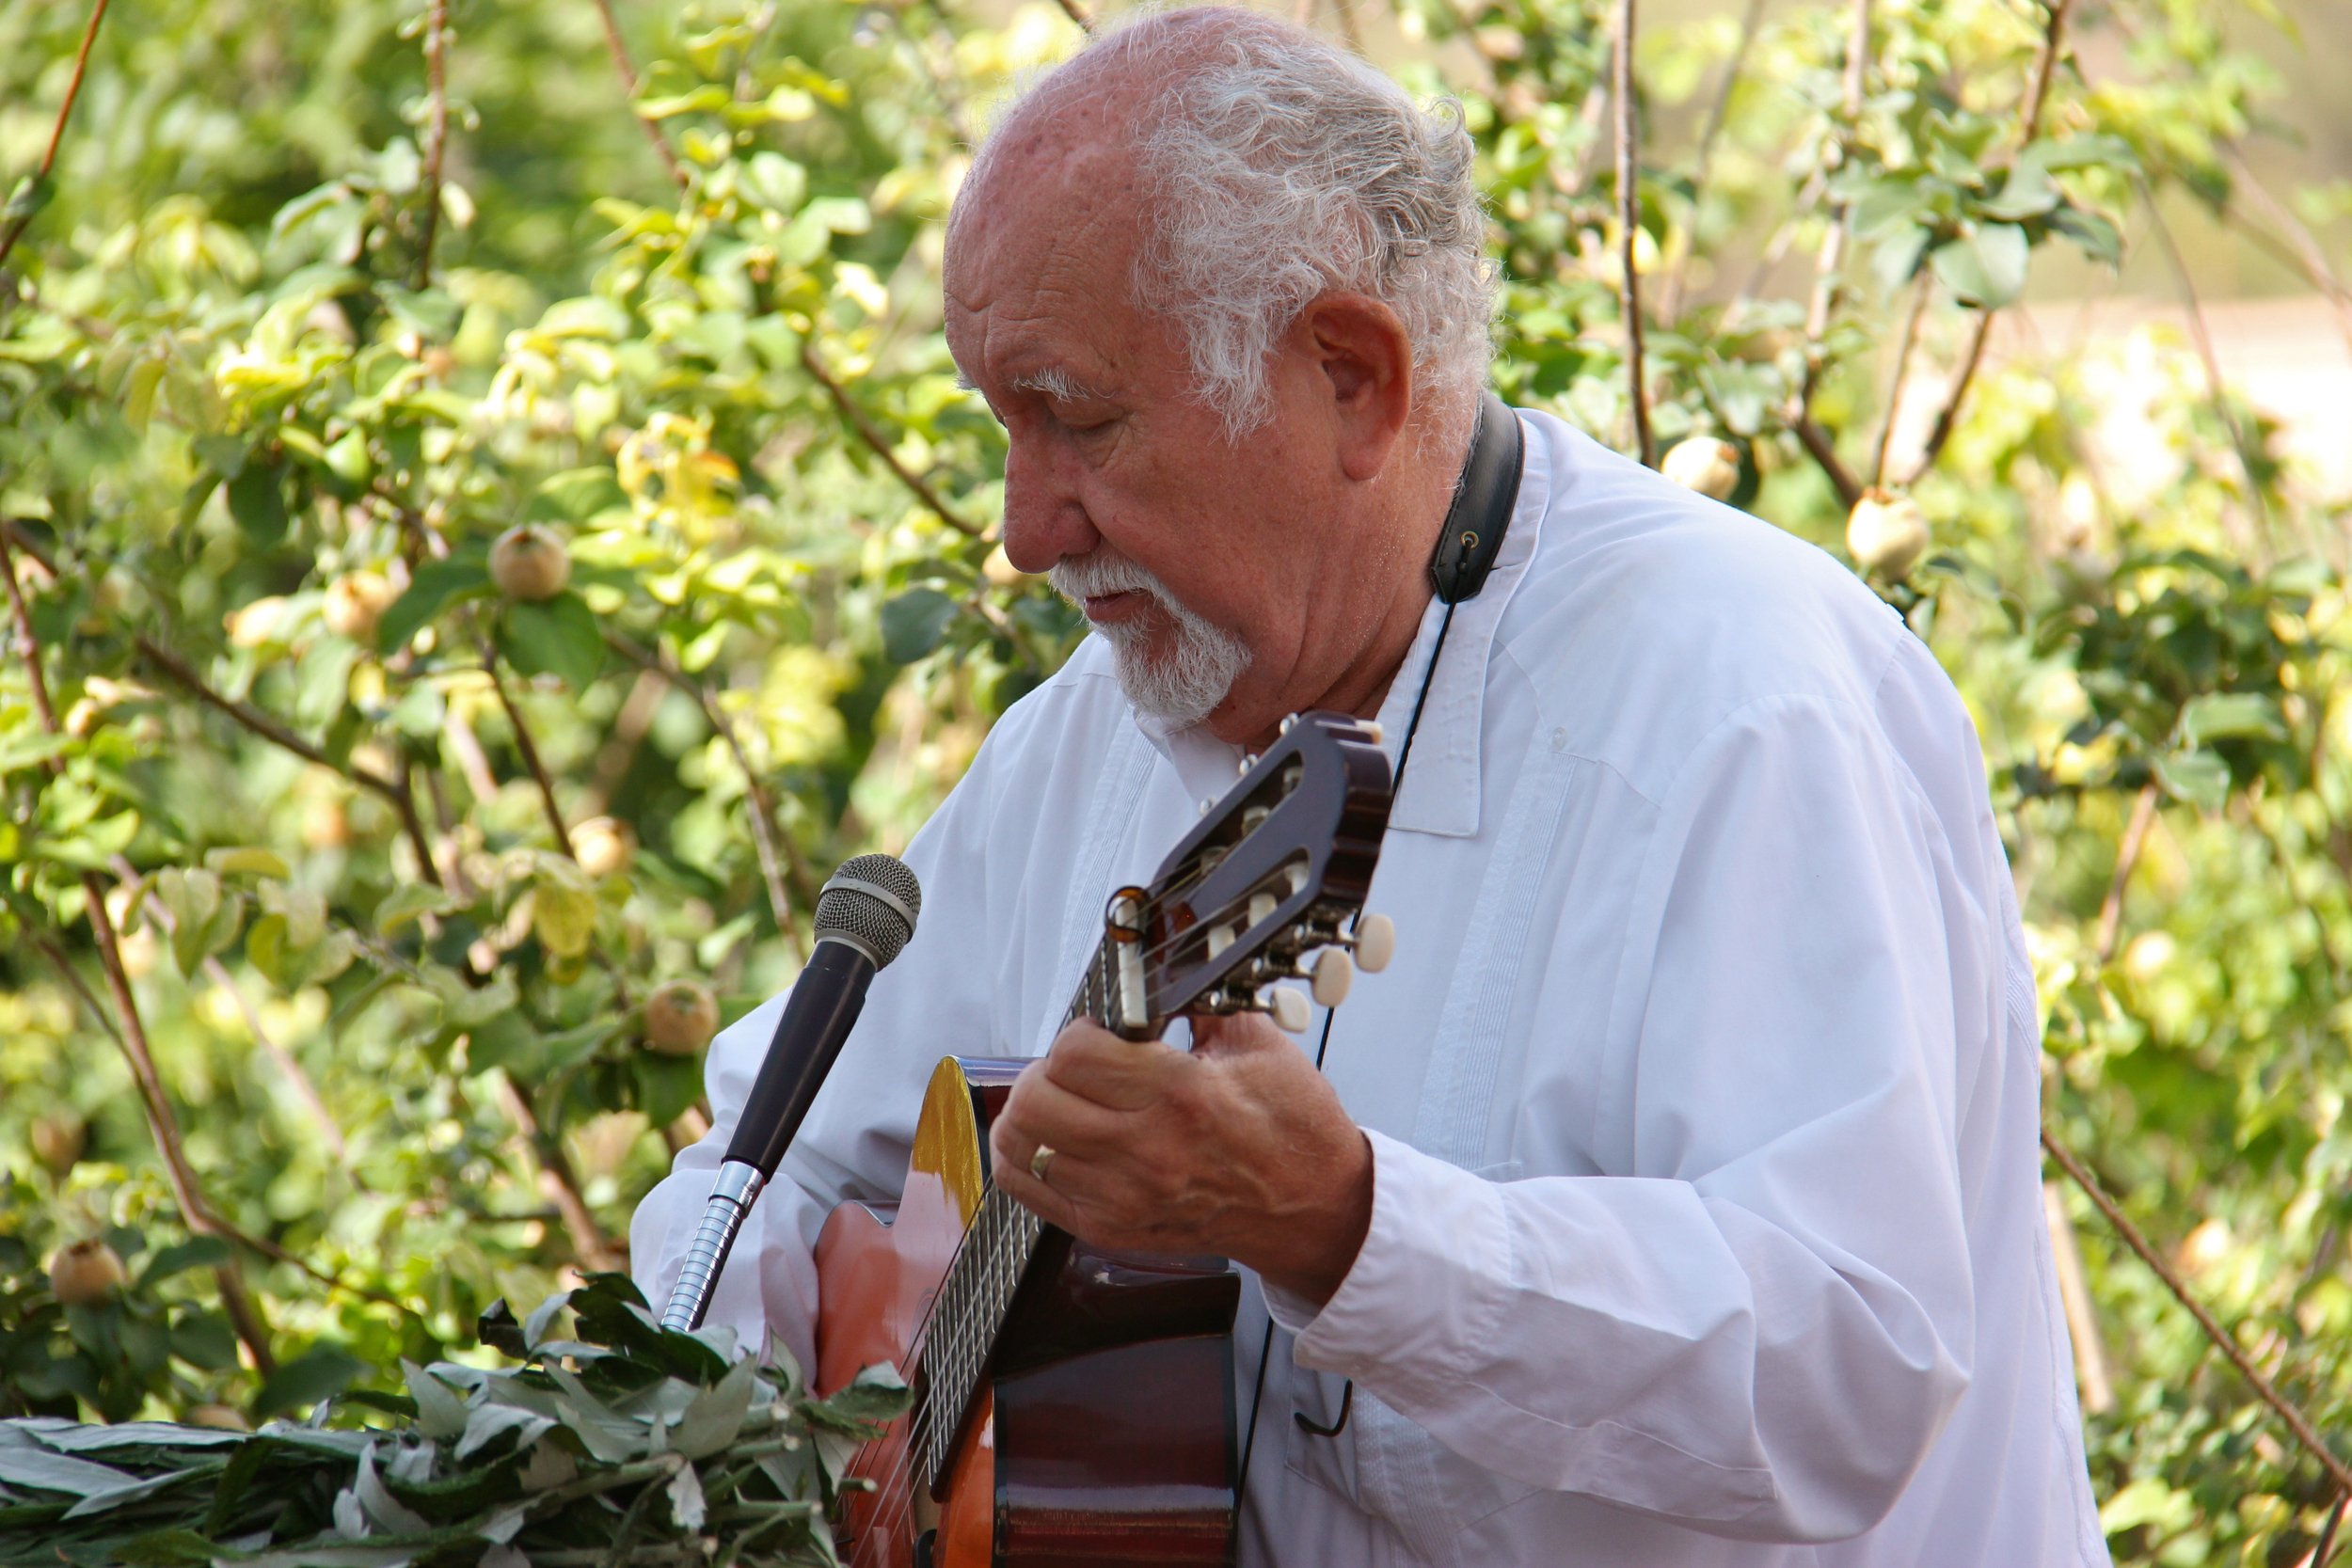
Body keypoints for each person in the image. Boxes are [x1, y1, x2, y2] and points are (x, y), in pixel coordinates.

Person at [632, 8, 2111, 1564]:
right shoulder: (1094, 733)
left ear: (1350, 378)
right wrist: (811, 1437)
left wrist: (1351, 1227)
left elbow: (1848, 1370)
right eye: (998, 423)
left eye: (1073, 416)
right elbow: (768, 1166)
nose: (1023, 526)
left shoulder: (1747, 702)